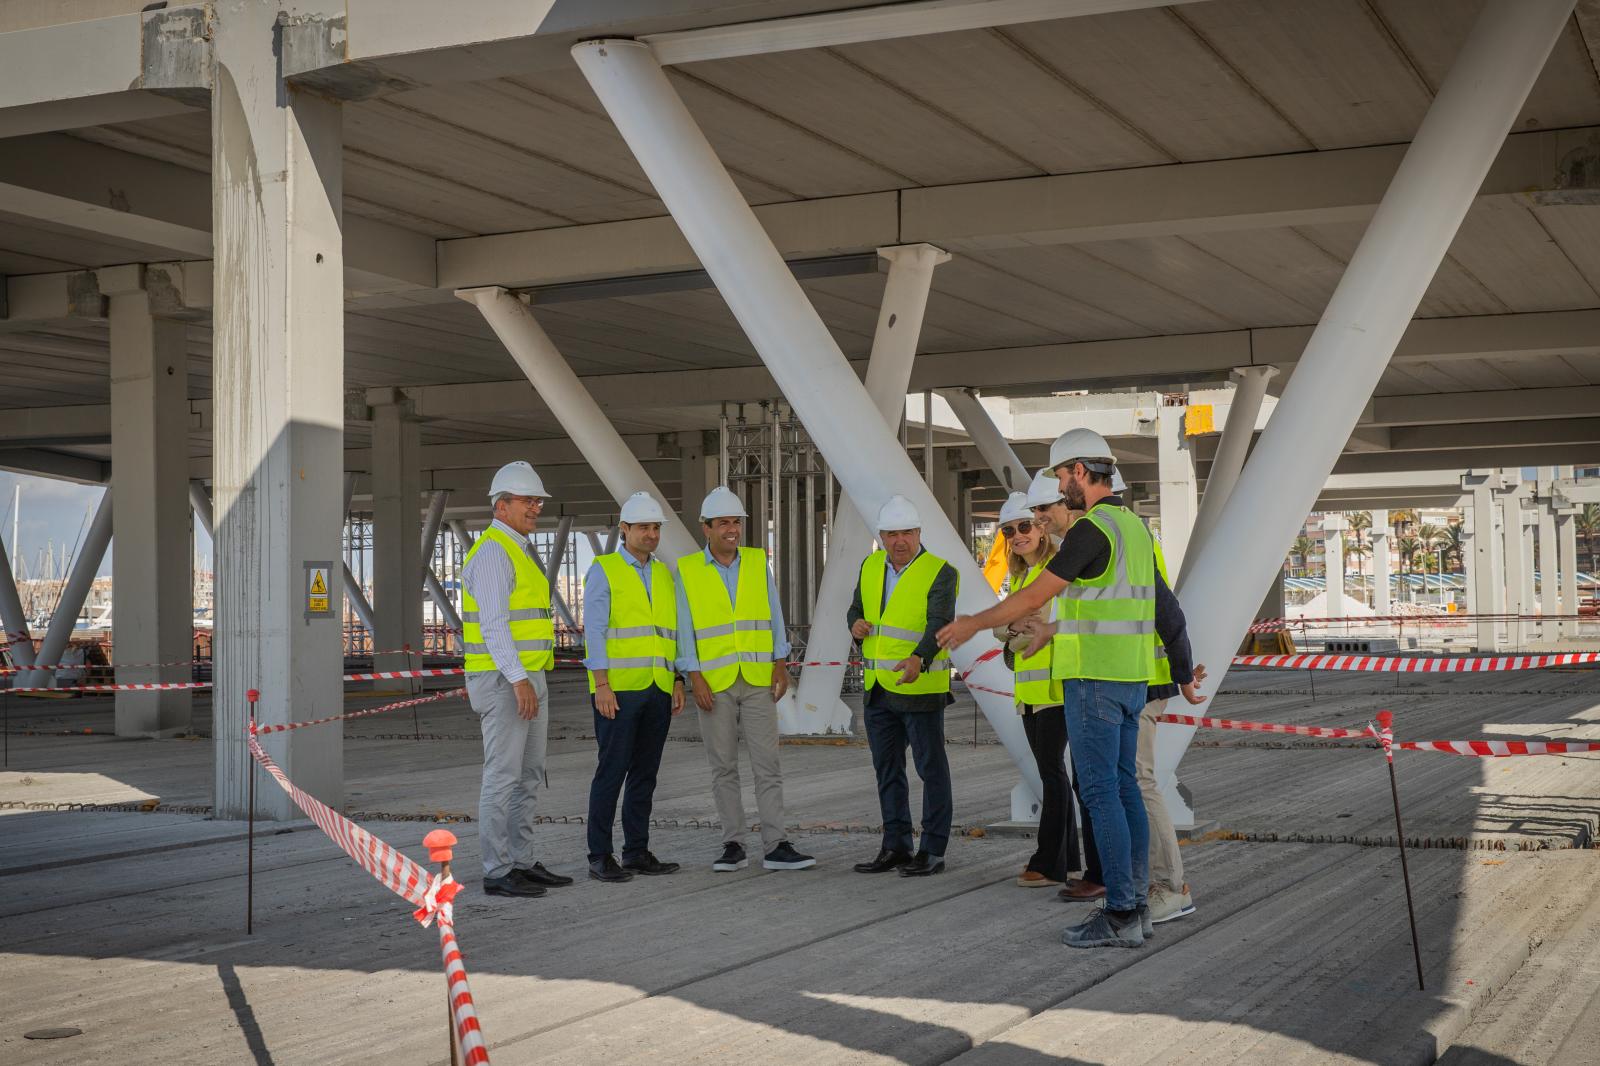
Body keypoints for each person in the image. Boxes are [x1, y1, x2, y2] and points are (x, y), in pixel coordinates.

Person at [938, 429, 1205, 949]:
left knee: (1103, 794)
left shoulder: (1093, 530)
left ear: (1080, 472)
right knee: (1125, 790)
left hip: (1095, 684)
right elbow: (1164, 609)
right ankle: (1137, 908)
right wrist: (1180, 674)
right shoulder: (1135, 529)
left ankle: (1123, 912)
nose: (1061, 490)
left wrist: (974, 622)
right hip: (1131, 682)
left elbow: (1036, 593)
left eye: (1062, 477)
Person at [676, 486, 815, 873]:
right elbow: (685, 629)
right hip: (714, 684)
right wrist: (694, 677)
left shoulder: (757, 562)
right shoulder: (687, 571)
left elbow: (774, 613)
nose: (732, 529)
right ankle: (733, 844)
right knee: (722, 767)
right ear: (706, 528)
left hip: (757, 679)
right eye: (723, 523)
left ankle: (776, 844)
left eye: (736, 522)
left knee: (767, 764)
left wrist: (780, 663)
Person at [461, 461, 574, 898]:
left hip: (527, 677)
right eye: (528, 501)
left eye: (538, 500)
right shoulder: (492, 552)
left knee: (529, 775)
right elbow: (494, 625)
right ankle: (497, 869)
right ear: (501, 505)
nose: (536, 507)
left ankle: (522, 861)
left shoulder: (519, 548)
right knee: (503, 776)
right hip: (505, 679)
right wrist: (518, 679)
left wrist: (529, 678)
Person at [849, 495, 959, 877]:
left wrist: (920, 657)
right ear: (880, 536)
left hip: (921, 687)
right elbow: (856, 609)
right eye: (892, 534)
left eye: (907, 533)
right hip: (879, 688)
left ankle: (932, 849)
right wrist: (856, 625)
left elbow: (939, 623)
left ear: (918, 533)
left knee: (931, 769)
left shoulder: (940, 571)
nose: (900, 541)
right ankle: (895, 845)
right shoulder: (870, 566)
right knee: (887, 770)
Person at [582, 491, 686, 883]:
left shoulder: (662, 573)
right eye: (643, 527)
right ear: (624, 529)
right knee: (611, 771)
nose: (651, 534)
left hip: (658, 687)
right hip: (619, 691)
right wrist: (601, 684)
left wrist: (676, 678)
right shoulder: (604, 569)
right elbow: (594, 631)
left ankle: (637, 851)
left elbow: (668, 633)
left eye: (656, 527)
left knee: (645, 773)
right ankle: (599, 855)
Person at [991, 492, 1076, 889]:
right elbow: (1003, 627)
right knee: (1053, 775)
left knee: (1052, 775)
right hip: (1030, 693)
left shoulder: (1054, 571)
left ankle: (1047, 863)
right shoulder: (1022, 576)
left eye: (1024, 526)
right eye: (1009, 530)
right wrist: (1014, 629)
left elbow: (1039, 625)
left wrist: (1016, 630)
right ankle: (1070, 861)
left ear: (1041, 529)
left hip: (1056, 688)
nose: (1017, 535)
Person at [1027, 468, 1103, 901]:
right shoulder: (1086, 543)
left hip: (1099, 678)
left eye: (1044, 508)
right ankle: (1100, 871)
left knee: (1102, 784)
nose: (1038, 520)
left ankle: (1109, 876)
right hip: (1077, 678)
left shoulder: (1086, 542)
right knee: (1092, 783)